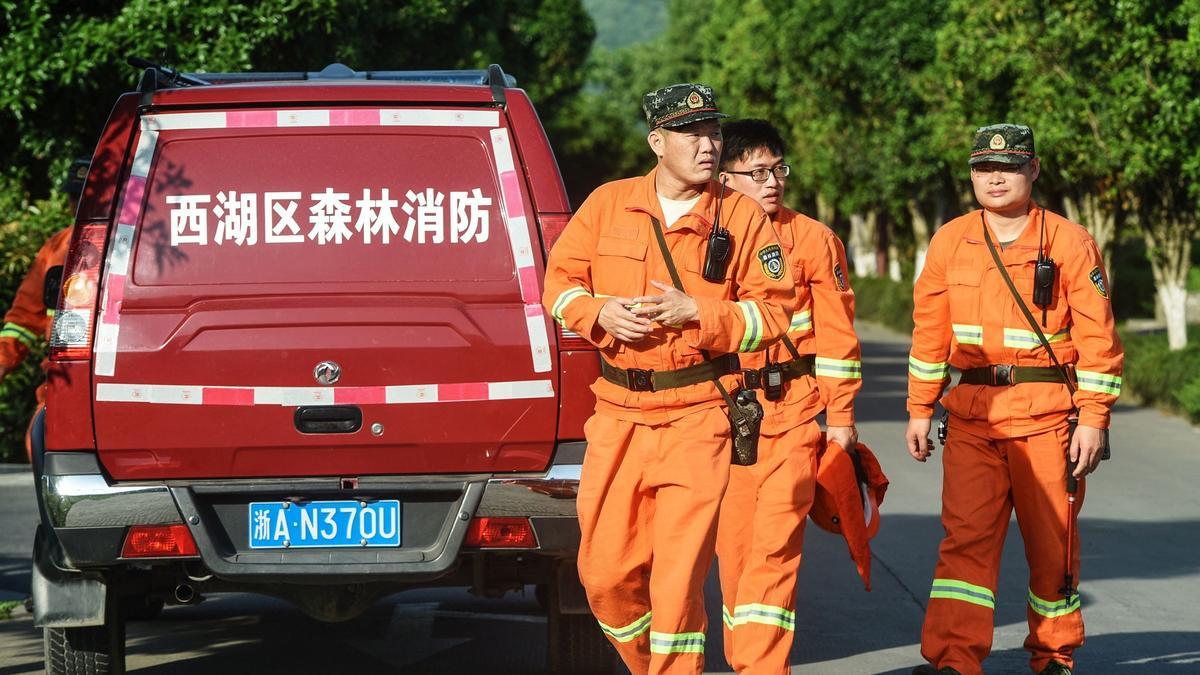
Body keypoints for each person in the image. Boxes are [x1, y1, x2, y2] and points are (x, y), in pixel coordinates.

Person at [542, 84, 795, 674]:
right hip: (617, 416)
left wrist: (698, 314)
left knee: (677, 583)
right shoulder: (608, 203)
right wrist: (597, 311)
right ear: (658, 142)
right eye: (692, 134)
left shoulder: (742, 217)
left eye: (713, 132)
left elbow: (775, 315)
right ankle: (643, 661)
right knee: (603, 575)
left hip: (699, 414)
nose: (709, 145)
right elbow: (557, 287)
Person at [905, 124, 1123, 675]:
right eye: (983, 168)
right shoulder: (950, 240)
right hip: (974, 418)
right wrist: (919, 407)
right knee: (964, 547)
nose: (994, 177)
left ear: (1034, 170)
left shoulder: (1069, 242)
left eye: (1007, 166)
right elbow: (929, 333)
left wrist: (1093, 419)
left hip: (1049, 420)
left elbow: (1099, 337)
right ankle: (954, 659)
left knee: (1054, 546)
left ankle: (1054, 654)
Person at [713, 118, 861, 674]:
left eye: (778, 168)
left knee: (775, 548)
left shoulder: (816, 240)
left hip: (794, 410)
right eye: (756, 172)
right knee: (737, 552)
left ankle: (762, 668)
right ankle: (746, 660)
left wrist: (841, 419)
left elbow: (840, 339)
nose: (772, 181)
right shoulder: (706, 235)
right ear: (725, 179)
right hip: (723, 416)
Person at [0, 157, 88, 459]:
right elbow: (23, 318)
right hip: (63, 380)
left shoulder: (134, 245)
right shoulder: (56, 249)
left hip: (114, 378)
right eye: (75, 198)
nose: (78, 205)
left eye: (87, 197)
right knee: (40, 444)